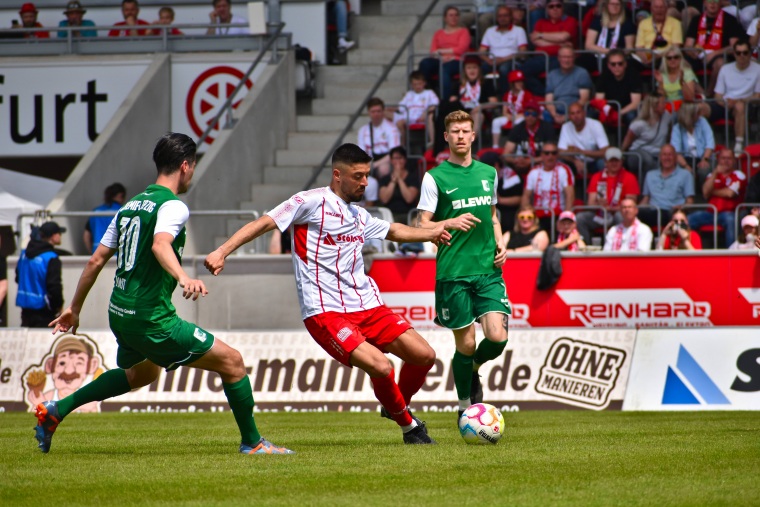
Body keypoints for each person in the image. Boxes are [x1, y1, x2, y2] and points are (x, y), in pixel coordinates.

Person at [37, 133, 294, 456]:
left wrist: (74, 308)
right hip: (150, 317)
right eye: (194, 167)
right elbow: (161, 244)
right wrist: (184, 277)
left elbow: (96, 259)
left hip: (119, 312)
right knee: (233, 362)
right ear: (185, 166)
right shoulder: (173, 206)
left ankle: (55, 410)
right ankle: (253, 443)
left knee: (142, 372)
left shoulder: (129, 206)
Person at [205, 143, 456, 445]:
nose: (365, 182)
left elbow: (395, 231)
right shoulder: (309, 202)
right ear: (338, 175)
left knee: (424, 355)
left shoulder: (359, 215)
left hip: (368, 305)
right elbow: (263, 223)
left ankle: (394, 406)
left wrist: (433, 231)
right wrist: (222, 251)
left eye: (367, 175)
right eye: (358, 176)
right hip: (326, 311)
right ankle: (409, 427)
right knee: (381, 366)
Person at [416, 110, 510, 421]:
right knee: (467, 342)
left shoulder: (488, 173)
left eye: (465, 131)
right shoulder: (435, 177)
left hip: (487, 269)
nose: (459, 135)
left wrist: (501, 243)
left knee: (497, 338)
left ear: (472, 135)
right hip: (453, 272)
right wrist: (451, 221)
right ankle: (464, 407)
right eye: (454, 130)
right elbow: (421, 223)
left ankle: (473, 369)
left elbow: (493, 215)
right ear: (446, 136)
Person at [576, 147, 640, 243]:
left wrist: (612, 208)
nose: (614, 164)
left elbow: (630, 204)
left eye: (616, 161)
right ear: (605, 162)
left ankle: (623, 246)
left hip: (618, 213)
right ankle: (586, 247)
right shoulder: (597, 177)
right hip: (600, 214)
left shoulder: (629, 177)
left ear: (622, 161)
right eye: (611, 161)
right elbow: (590, 203)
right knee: (580, 218)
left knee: (622, 216)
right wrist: (599, 206)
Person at [26, 336, 102, 413]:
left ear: (91, 366)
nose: (69, 370)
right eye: (62, 363)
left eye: (79, 363)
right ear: (50, 365)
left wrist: (44, 405)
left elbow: (92, 411)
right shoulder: (49, 396)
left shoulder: (85, 398)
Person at [16, 222, 69, 328]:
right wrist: (58, 307)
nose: (60, 236)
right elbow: (54, 287)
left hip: (25, 309)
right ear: (53, 236)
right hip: (44, 311)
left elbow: (18, 277)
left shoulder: (24, 254)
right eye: (59, 233)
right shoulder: (51, 258)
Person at [519, 0, 578, 96]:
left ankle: (554, 97)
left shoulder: (570, 20)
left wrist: (541, 35)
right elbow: (535, 40)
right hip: (540, 57)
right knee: (522, 72)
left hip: (560, 57)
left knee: (555, 74)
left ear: (562, 8)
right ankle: (543, 95)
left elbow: (563, 36)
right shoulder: (540, 22)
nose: (555, 8)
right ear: (546, 9)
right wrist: (559, 44)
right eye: (551, 6)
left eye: (558, 6)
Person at [687, 148, 745, 246]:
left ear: (734, 160)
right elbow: (705, 192)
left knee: (731, 220)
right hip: (710, 213)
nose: (726, 161)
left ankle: (731, 254)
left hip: (729, 213)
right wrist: (715, 173)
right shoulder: (712, 175)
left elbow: (729, 193)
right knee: (687, 219)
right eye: (723, 158)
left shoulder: (739, 175)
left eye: (729, 158)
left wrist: (712, 191)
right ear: (718, 160)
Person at [711, 40, 760, 156]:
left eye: (745, 53)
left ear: (750, 53)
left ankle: (738, 144)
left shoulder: (758, 69)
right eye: (738, 53)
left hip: (748, 105)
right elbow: (717, 95)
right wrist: (727, 103)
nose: (741, 56)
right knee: (701, 108)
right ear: (734, 54)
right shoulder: (725, 69)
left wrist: (740, 101)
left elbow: (758, 96)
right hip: (726, 104)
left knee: (739, 106)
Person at [683, 0, 742, 95]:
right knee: (680, 61)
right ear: (704, 3)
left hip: (718, 54)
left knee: (720, 63)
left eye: (716, 1)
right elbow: (688, 45)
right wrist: (692, 52)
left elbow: (734, 47)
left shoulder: (730, 20)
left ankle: (709, 94)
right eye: (709, 1)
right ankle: (699, 92)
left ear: (721, 3)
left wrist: (714, 53)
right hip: (698, 55)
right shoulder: (696, 20)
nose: (712, 4)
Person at [418, 6, 471, 100]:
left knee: (444, 69)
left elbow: (461, 49)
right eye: (451, 15)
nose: (454, 17)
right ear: (445, 18)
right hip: (440, 59)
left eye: (456, 15)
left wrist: (442, 51)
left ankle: (445, 101)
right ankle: (427, 92)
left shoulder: (464, 32)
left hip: (457, 60)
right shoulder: (438, 33)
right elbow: (433, 51)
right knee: (425, 63)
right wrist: (441, 58)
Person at [521, 141, 575, 233]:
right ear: (541, 155)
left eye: (553, 153)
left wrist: (566, 217)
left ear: (557, 155)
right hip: (537, 215)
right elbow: (526, 196)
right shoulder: (533, 172)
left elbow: (570, 195)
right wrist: (526, 215)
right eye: (547, 153)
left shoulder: (564, 170)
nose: (550, 156)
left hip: (557, 215)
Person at [639, 143, 695, 229]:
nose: (667, 158)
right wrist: (635, 209)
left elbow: (690, 201)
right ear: (660, 157)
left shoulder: (685, 175)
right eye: (664, 155)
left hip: (671, 212)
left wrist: (681, 207)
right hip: (652, 211)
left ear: (675, 157)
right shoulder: (650, 175)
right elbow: (646, 199)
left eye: (670, 155)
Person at [478, 6, 528, 95]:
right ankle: (487, 98)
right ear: (497, 18)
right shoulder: (490, 31)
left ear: (511, 17)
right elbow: (481, 51)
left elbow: (522, 52)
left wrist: (502, 59)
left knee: (504, 69)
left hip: (511, 61)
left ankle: (504, 99)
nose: (502, 18)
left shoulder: (519, 30)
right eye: (500, 16)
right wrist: (488, 60)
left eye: (505, 16)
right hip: (492, 61)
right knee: (478, 71)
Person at [621, 93, 673, 177]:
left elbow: (669, 135)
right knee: (648, 161)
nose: (665, 105)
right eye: (663, 103)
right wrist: (622, 153)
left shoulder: (667, 116)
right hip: (637, 153)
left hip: (657, 154)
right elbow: (628, 141)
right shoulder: (639, 124)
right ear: (654, 105)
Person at [581, 0, 636, 75]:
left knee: (615, 63)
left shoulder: (627, 23)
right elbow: (588, 45)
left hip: (617, 57)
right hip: (598, 55)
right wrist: (607, 51)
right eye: (612, 4)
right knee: (580, 61)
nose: (615, 6)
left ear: (621, 7)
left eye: (617, 4)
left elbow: (629, 48)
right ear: (607, 5)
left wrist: (615, 54)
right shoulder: (598, 20)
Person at [558, 102, 609, 181]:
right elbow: (560, 152)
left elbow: (605, 151)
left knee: (602, 163)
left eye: (578, 112)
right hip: (574, 162)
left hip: (593, 161)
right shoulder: (565, 127)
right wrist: (575, 161)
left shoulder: (596, 125)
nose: (576, 116)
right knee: (559, 162)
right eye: (572, 113)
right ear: (569, 116)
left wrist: (582, 152)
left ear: (584, 113)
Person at [591, 49, 643, 127]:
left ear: (625, 64)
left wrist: (618, 113)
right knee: (592, 114)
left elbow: (635, 104)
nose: (617, 66)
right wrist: (609, 112)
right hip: (608, 110)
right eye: (613, 64)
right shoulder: (603, 76)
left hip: (627, 110)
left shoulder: (633, 75)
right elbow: (599, 100)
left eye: (620, 63)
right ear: (608, 65)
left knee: (631, 116)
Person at [502, 100, 556, 174]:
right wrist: (517, 161)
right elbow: (506, 154)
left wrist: (530, 161)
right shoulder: (518, 128)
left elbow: (551, 154)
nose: (530, 117)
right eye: (527, 113)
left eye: (533, 114)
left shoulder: (547, 128)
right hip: (522, 165)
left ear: (538, 115)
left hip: (542, 164)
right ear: (524, 114)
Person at [543, 47, 593, 124]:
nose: (566, 60)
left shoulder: (582, 73)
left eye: (569, 57)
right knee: (543, 115)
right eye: (563, 57)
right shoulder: (552, 75)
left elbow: (584, 98)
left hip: (576, 109)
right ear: (558, 58)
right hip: (557, 110)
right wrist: (555, 115)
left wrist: (568, 115)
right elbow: (549, 100)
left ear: (574, 58)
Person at [490, 70, 539, 149]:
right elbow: (504, 111)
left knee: (518, 122)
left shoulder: (527, 94)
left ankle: (518, 147)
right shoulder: (507, 95)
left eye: (521, 81)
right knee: (495, 121)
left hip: (523, 116)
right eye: (517, 82)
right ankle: (495, 146)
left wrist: (518, 116)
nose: (520, 83)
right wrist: (508, 116)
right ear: (512, 83)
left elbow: (530, 110)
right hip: (510, 116)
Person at [670, 102, 715, 186]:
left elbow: (710, 143)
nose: (699, 115)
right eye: (697, 113)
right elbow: (676, 151)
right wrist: (685, 165)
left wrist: (704, 159)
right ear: (689, 115)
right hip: (685, 159)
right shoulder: (677, 128)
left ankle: (703, 194)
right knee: (685, 173)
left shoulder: (703, 122)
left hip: (703, 156)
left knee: (703, 171)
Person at [394, 71, 439, 150]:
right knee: (391, 117)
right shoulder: (409, 94)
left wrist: (426, 112)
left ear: (424, 83)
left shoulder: (429, 93)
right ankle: (402, 147)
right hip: (408, 118)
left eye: (420, 83)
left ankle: (432, 142)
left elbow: (436, 104)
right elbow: (400, 107)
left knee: (430, 116)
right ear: (411, 85)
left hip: (423, 118)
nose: (418, 86)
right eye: (415, 84)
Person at [357, 97, 401, 178]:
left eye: (378, 111)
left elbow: (394, 153)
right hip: (369, 161)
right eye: (373, 112)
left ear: (383, 112)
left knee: (383, 169)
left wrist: (374, 165)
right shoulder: (362, 130)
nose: (376, 114)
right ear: (369, 113)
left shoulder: (392, 128)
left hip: (387, 161)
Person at [377, 147, 421, 224]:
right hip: (389, 215)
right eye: (395, 158)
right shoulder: (385, 179)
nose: (398, 161)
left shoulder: (413, 178)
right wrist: (393, 181)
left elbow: (409, 198)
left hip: (409, 215)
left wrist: (400, 179)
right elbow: (384, 199)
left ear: (405, 160)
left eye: (400, 158)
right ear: (391, 160)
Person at [635, 0, 683, 65]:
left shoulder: (675, 23)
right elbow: (639, 48)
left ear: (666, 9)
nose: (659, 10)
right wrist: (643, 57)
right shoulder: (643, 24)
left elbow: (675, 47)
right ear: (651, 9)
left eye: (661, 7)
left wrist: (657, 56)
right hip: (646, 56)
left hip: (666, 56)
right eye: (656, 7)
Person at [84, 183, 127, 254]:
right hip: (116, 252)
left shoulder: (96, 211)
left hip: (97, 251)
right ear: (120, 195)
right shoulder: (123, 211)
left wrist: (91, 252)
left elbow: (86, 235)